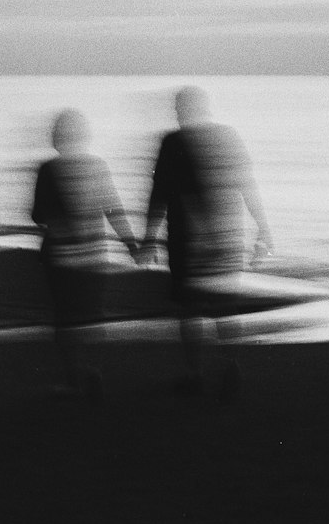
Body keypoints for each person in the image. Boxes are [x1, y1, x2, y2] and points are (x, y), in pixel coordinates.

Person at [141, 86, 273, 399]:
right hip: (227, 237)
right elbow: (246, 184)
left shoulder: (172, 142)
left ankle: (195, 374)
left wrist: (149, 237)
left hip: (188, 240)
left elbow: (158, 194)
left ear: (181, 111)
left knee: (190, 310)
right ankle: (231, 365)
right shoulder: (227, 137)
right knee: (225, 306)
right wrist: (263, 227)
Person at [32, 108, 138, 400]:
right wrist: (131, 244)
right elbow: (114, 209)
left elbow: (38, 214)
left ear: (56, 137)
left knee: (65, 320)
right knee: (91, 317)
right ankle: (93, 369)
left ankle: (73, 379)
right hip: (95, 256)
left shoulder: (48, 169)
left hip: (62, 258)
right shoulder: (98, 166)